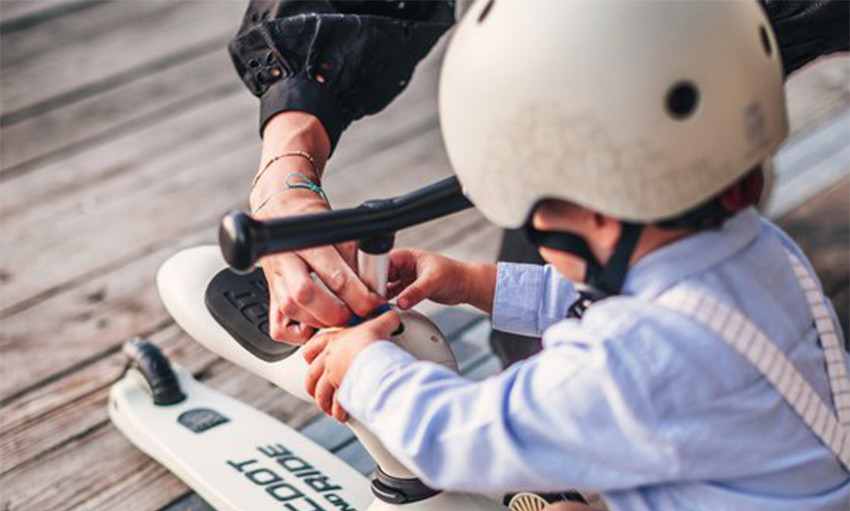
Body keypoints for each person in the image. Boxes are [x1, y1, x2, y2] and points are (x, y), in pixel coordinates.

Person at [297, 0, 850, 511]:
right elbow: (617, 303)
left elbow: (467, 436)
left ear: (589, 211)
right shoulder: (752, 251)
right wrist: (474, 282)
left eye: (532, 220)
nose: (531, 239)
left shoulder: (635, 365)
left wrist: (367, 368)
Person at [229, 0, 848, 361]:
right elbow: (591, 308)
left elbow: (489, 432)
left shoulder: (632, 368)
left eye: (543, 206)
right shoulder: (772, 268)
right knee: (536, 346)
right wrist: (287, 167)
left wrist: (370, 374)